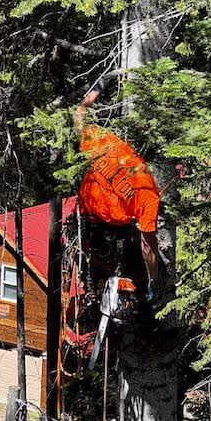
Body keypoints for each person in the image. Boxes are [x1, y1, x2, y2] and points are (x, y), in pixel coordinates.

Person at [74, 80, 162, 304]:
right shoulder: (147, 190)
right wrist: (154, 279)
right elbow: (148, 244)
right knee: (123, 286)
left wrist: (92, 96)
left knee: (102, 283)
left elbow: (79, 116)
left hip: (94, 224)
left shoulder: (108, 144)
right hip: (101, 227)